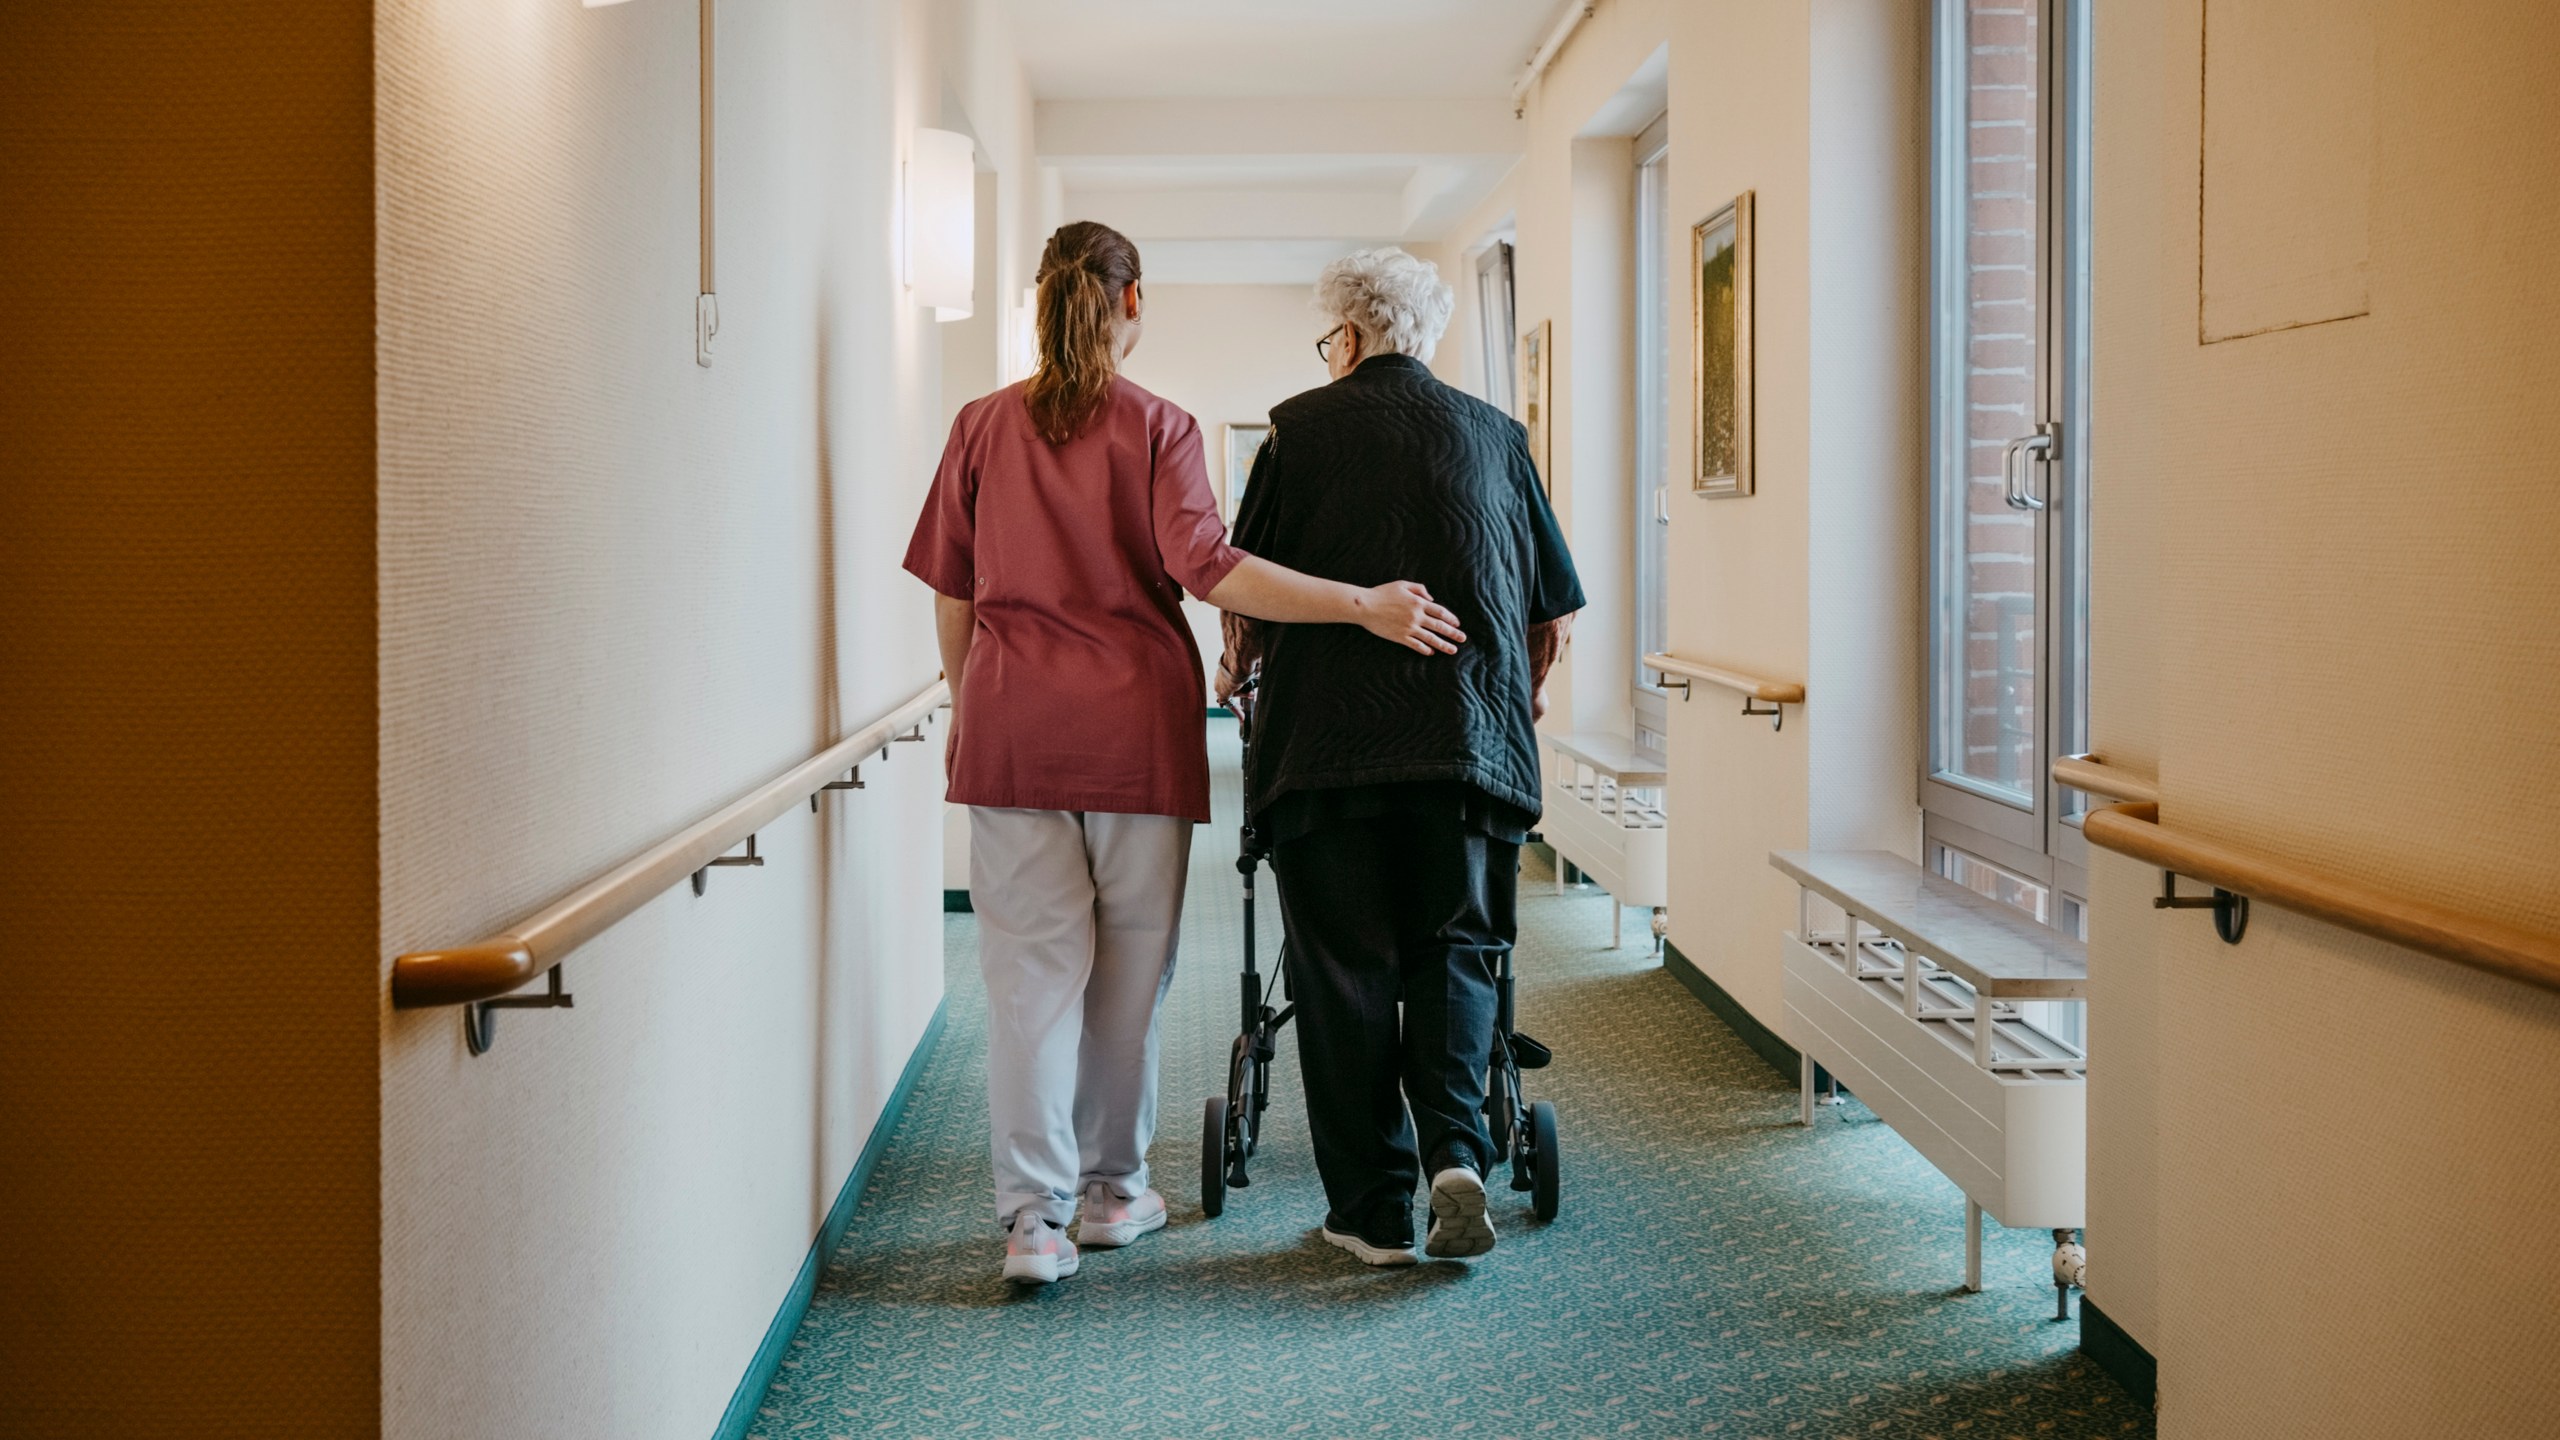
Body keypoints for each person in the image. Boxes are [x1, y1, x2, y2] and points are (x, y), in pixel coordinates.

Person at [904, 222, 1468, 1286]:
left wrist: (967, 701)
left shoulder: (981, 426)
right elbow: (1210, 570)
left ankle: (1034, 1221)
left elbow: (954, 591)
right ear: (1132, 303)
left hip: (1015, 727)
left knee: (1027, 981)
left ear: (1040, 301)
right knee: (1127, 977)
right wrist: (1361, 604)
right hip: (1134, 732)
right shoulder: (1157, 425)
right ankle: (1115, 1193)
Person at [1217, 246, 1582, 1267]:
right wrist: (1524, 692)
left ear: (1348, 334)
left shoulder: (1294, 431)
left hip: (1325, 751)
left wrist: (1233, 671)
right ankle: (1456, 1157)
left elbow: (1239, 587)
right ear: (1423, 334)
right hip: (1464, 748)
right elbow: (1553, 613)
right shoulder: (1499, 437)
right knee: (1455, 950)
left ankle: (1370, 1213)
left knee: (1342, 971)